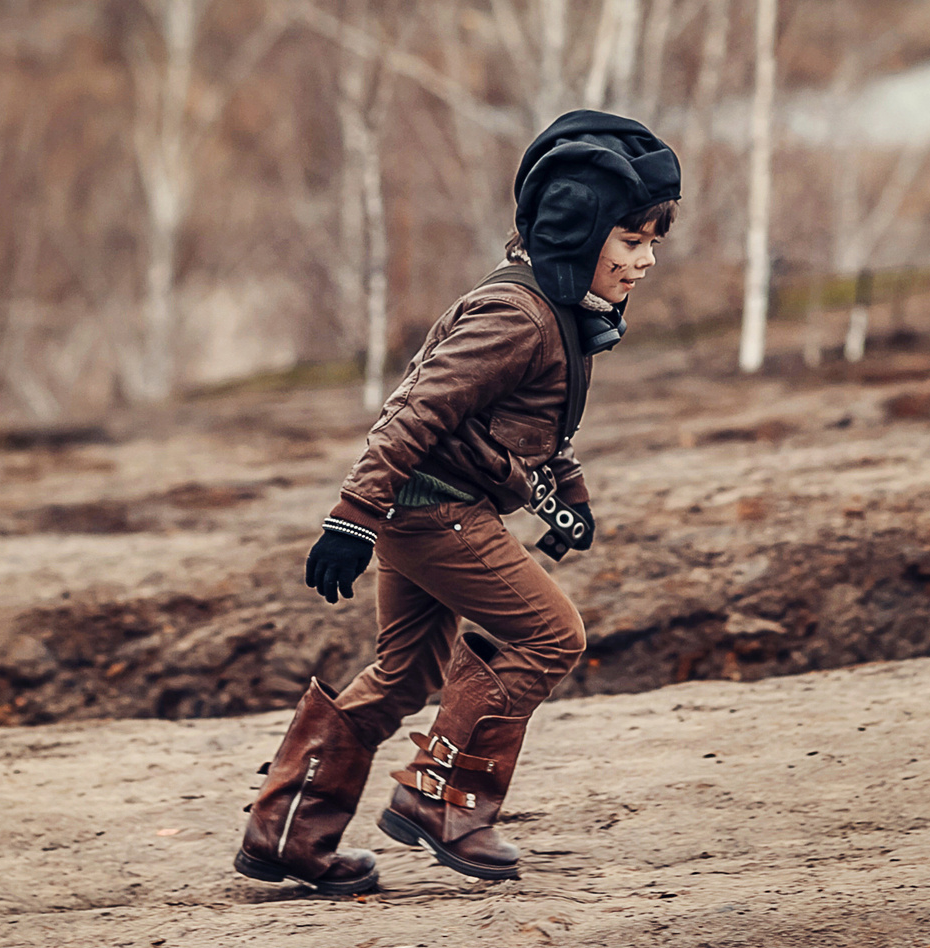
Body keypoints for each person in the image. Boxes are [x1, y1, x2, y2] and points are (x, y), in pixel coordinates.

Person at [235, 110, 680, 892]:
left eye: (652, 243)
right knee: (551, 634)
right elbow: (416, 411)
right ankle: (445, 798)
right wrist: (349, 517)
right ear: (577, 233)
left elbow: (532, 421)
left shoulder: (563, 311)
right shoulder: (517, 314)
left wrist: (564, 492)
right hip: (433, 512)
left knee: (405, 675)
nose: (645, 261)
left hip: (428, 511)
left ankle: (287, 830)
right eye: (632, 241)